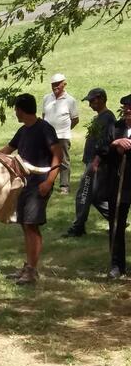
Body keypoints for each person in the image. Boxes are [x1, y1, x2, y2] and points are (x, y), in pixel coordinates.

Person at [0, 93, 62, 285]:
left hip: (39, 185)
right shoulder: (23, 131)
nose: (15, 113)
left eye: (16, 109)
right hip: (24, 184)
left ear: (21, 110)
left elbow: (58, 156)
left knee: (31, 226)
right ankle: (28, 266)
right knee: (25, 225)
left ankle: (32, 271)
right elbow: (7, 151)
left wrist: (49, 182)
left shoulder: (44, 129)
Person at [62, 88, 114, 238]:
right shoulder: (100, 117)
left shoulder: (107, 118)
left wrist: (95, 162)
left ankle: (78, 227)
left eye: (92, 100)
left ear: (101, 99)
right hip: (92, 161)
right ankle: (117, 219)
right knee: (95, 196)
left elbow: (106, 142)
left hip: (96, 163)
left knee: (83, 194)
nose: (90, 104)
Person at [106, 94, 131, 279]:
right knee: (116, 224)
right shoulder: (115, 128)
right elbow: (101, 149)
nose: (128, 113)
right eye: (126, 109)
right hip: (120, 183)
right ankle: (116, 265)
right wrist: (115, 144)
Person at [43, 73, 79, 194]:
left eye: (58, 84)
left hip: (62, 135)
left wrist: (66, 129)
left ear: (64, 84)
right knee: (47, 159)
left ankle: (64, 186)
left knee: (63, 161)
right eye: (53, 84)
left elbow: (75, 119)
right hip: (47, 136)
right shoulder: (46, 98)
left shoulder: (70, 100)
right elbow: (44, 116)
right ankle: (48, 183)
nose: (55, 87)